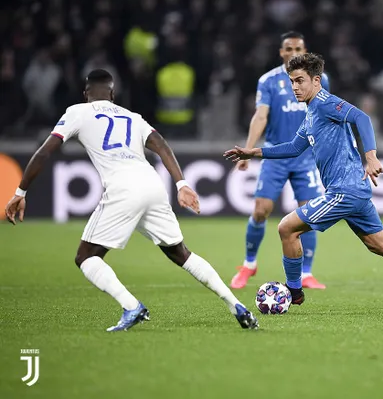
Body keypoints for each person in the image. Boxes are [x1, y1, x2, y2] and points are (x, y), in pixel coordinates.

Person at [4, 69, 259, 331]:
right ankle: (236, 305)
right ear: (113, 94)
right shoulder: (132, 116)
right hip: (152, 184)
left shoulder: (76, 112)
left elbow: (45, 152)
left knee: (86, 257)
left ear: (85, 94)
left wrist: (21, 192)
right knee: (181, 253)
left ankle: (131, 306)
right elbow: (160, 144)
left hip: (123, 188)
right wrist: (181, 184)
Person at [225, 53, 383, 312]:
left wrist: (371, 156)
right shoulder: (311, 113)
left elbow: (361, 118)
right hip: (354, 190)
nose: (295, 87)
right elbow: (294, 147)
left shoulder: (324, 102)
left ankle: (295, 292)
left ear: (316, 80)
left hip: (344, 191)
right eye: (291, 82)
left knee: (287, 228)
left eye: (300, 81)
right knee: (379, 244)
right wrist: (254, 152)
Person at [231, 31, 330, 290]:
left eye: (298, 47)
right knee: (261, 210)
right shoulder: (269, 81)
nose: (293, 52)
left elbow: (324, 116)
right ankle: (249, 264)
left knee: (309, 215)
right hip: (275, 155)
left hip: (306, 157)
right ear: (281, 52)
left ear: (305, 50)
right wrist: (248, 149)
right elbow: (260, 116)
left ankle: (306, 273)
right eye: (288, 48)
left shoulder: (320, 80)